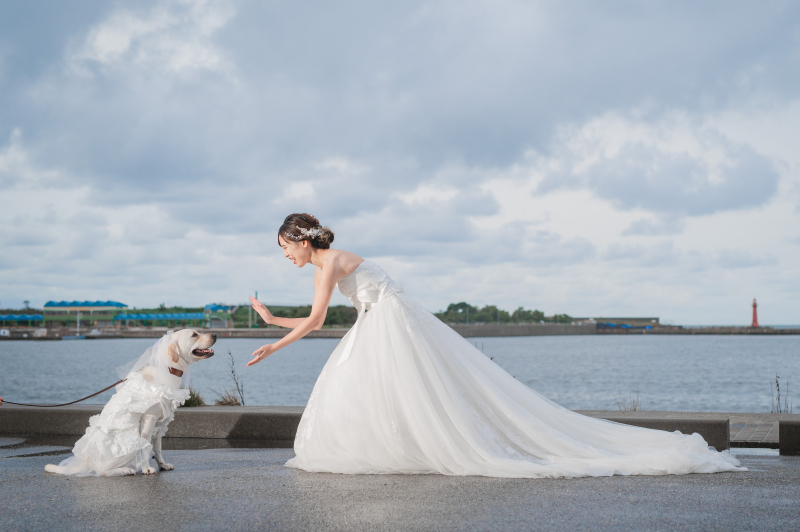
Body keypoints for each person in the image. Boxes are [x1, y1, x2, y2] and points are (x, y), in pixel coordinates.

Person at [247, 213, 744, 478]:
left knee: (383, 384)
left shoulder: (328, 261)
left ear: (302, 239)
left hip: (389, 321)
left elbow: (315, 321)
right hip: (379, 318)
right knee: (375, 387)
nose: (286, 255)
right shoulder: (325, 264)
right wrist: (271, 319)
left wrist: (274, 345)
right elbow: (323, 315)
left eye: (285, 247)